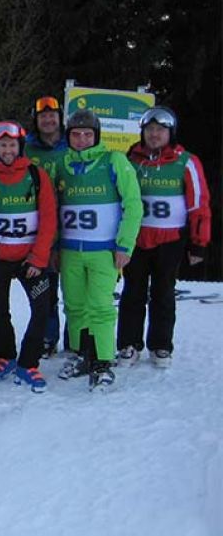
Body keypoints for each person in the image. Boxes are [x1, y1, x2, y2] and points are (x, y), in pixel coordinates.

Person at [53, 109, 142, 390]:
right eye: (76, 135)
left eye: (87, 135)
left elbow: (134, 205)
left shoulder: (114, 161)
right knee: (75, 307)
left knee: (101, 307)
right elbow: (51, 209)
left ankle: (103, 362)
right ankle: (83, 355)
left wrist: (125, 244)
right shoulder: (61, 164)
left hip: (104, 250)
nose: (81, 140)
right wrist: (54, 246)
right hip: (70, 251)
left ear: (96, 136)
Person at [118, 107, 211, 368]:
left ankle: (160, 346)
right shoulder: (131, 160)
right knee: (132, 292)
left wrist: (198, 243)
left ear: (170, 133)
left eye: (160, 130)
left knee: (163, 292)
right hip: (136, 239)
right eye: (149, 130)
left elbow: (199, 205)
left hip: (170, 240)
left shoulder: (186, 161)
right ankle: (129, 344)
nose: (154, 135)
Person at [0, 122, 57, 393]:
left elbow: (49, 218)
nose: (8, 150)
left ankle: (28, 362)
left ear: (20, 147)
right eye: (3, 145)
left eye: (12, 145)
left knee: (42, 309)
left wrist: (39, 258)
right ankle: (5, 355)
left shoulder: (36, 174)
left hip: (30, 258)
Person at [24, 96, 69, 357]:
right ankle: (47, 337)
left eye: (52, 115)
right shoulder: (28, 149)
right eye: (43, 116)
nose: (48, 120)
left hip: (73, 228)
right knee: (47, 290)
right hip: (42, 230)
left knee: (74, 291)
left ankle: (75, 339)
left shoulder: (71, 144)